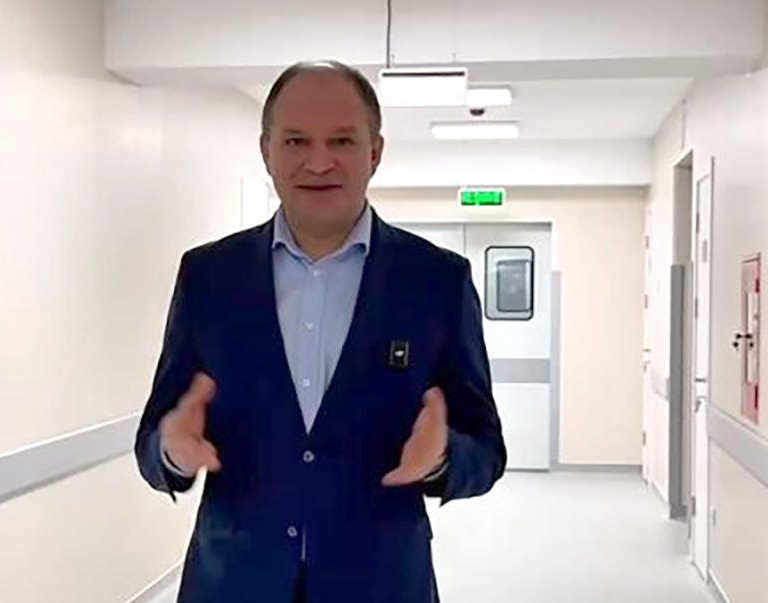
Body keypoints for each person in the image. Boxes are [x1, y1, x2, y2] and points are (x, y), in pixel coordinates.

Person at [135, 60, 506, 603]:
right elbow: (153, 439)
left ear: (375, 152)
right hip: (233, 582)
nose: (318, 161)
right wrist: (170, 448)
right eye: (296, 141)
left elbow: (487, 451)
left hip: (380, 585)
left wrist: (443, 456)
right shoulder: (210, 277)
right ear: (267, 151)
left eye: (342, 140)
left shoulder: (436, 281)